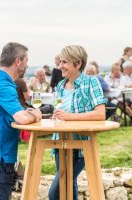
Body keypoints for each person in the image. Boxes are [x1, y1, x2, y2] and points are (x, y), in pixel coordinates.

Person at [0, 42, 42, 200]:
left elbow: (5, 113)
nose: (27, 65)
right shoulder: (4, 85)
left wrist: (26, 113)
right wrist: (37, 114)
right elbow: (21, 118)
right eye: (26, 60)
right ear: (18, 61)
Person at [48, 45, 106, 200]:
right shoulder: (60, 86)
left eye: (64, 62)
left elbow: (101, 114)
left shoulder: (91, 83)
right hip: (60, 143)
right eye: (60, 62)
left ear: (78, 63)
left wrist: (70, 116)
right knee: (68, 187)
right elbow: (60, 111)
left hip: (80, 146)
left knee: (54, 192)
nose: (60, 66)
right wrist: (57, 116)